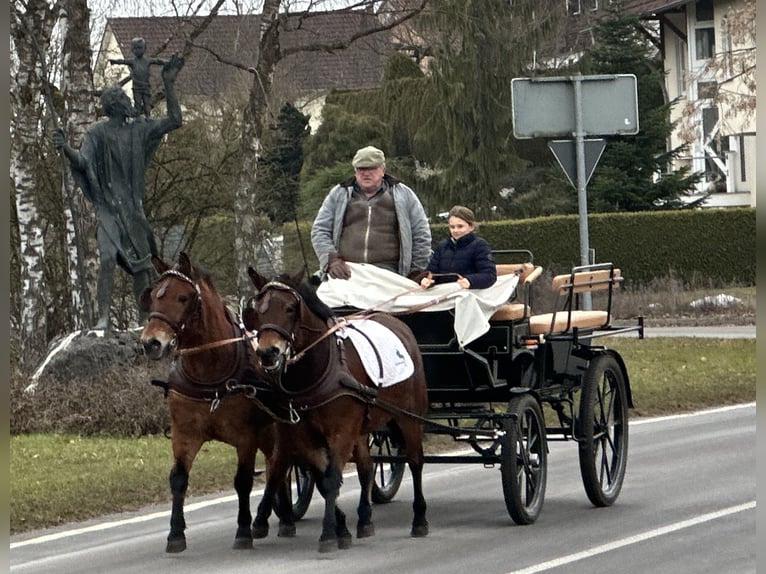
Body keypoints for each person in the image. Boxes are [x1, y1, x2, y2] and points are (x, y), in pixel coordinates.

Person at [53, 53, 184, 330]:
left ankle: (143, 319)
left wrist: (168, 83)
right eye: (124, 100)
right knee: (107, 258)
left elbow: (174, 119)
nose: (130, 103)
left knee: (142, 266)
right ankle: (103, 318)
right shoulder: (97, 133)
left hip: (133, 210)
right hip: (108, 209)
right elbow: (83, 161)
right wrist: (65, 148)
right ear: (115, 105)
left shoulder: (139, 129)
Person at [311, 145, 432, 280]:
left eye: (372, 168)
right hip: (345, 272)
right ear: (355, 171)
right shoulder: (338, 194)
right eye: (361, 168)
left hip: (390, 273)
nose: (366, 173)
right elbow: (320, 230)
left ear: (383, 169)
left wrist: (415, 271)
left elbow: (421, 234)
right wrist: (331, 261)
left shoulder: (404, 195)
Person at [419, 205, 497, 290]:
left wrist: (470, 281)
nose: (455, 230)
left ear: (471, 227)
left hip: (469, 297)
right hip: (444, 296)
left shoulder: (480, 245)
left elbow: (489, 275)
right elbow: (432, 273)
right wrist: (427, 280)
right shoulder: (442, 246)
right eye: (452, 227)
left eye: (460, 226)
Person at [109, 37, 167, 119]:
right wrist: (114, 62)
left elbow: (158, 61)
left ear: (144, 48)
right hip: (136, 87)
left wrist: (167, 62)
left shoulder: (147, 60)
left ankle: (148, 117)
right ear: (132, 50)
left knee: (147, 103)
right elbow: (122, 61)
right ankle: (137, 119)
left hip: (146, 86)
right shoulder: (132, 61)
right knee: (137, 104)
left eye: (140, 48)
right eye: (135, 48)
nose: (138, 50)